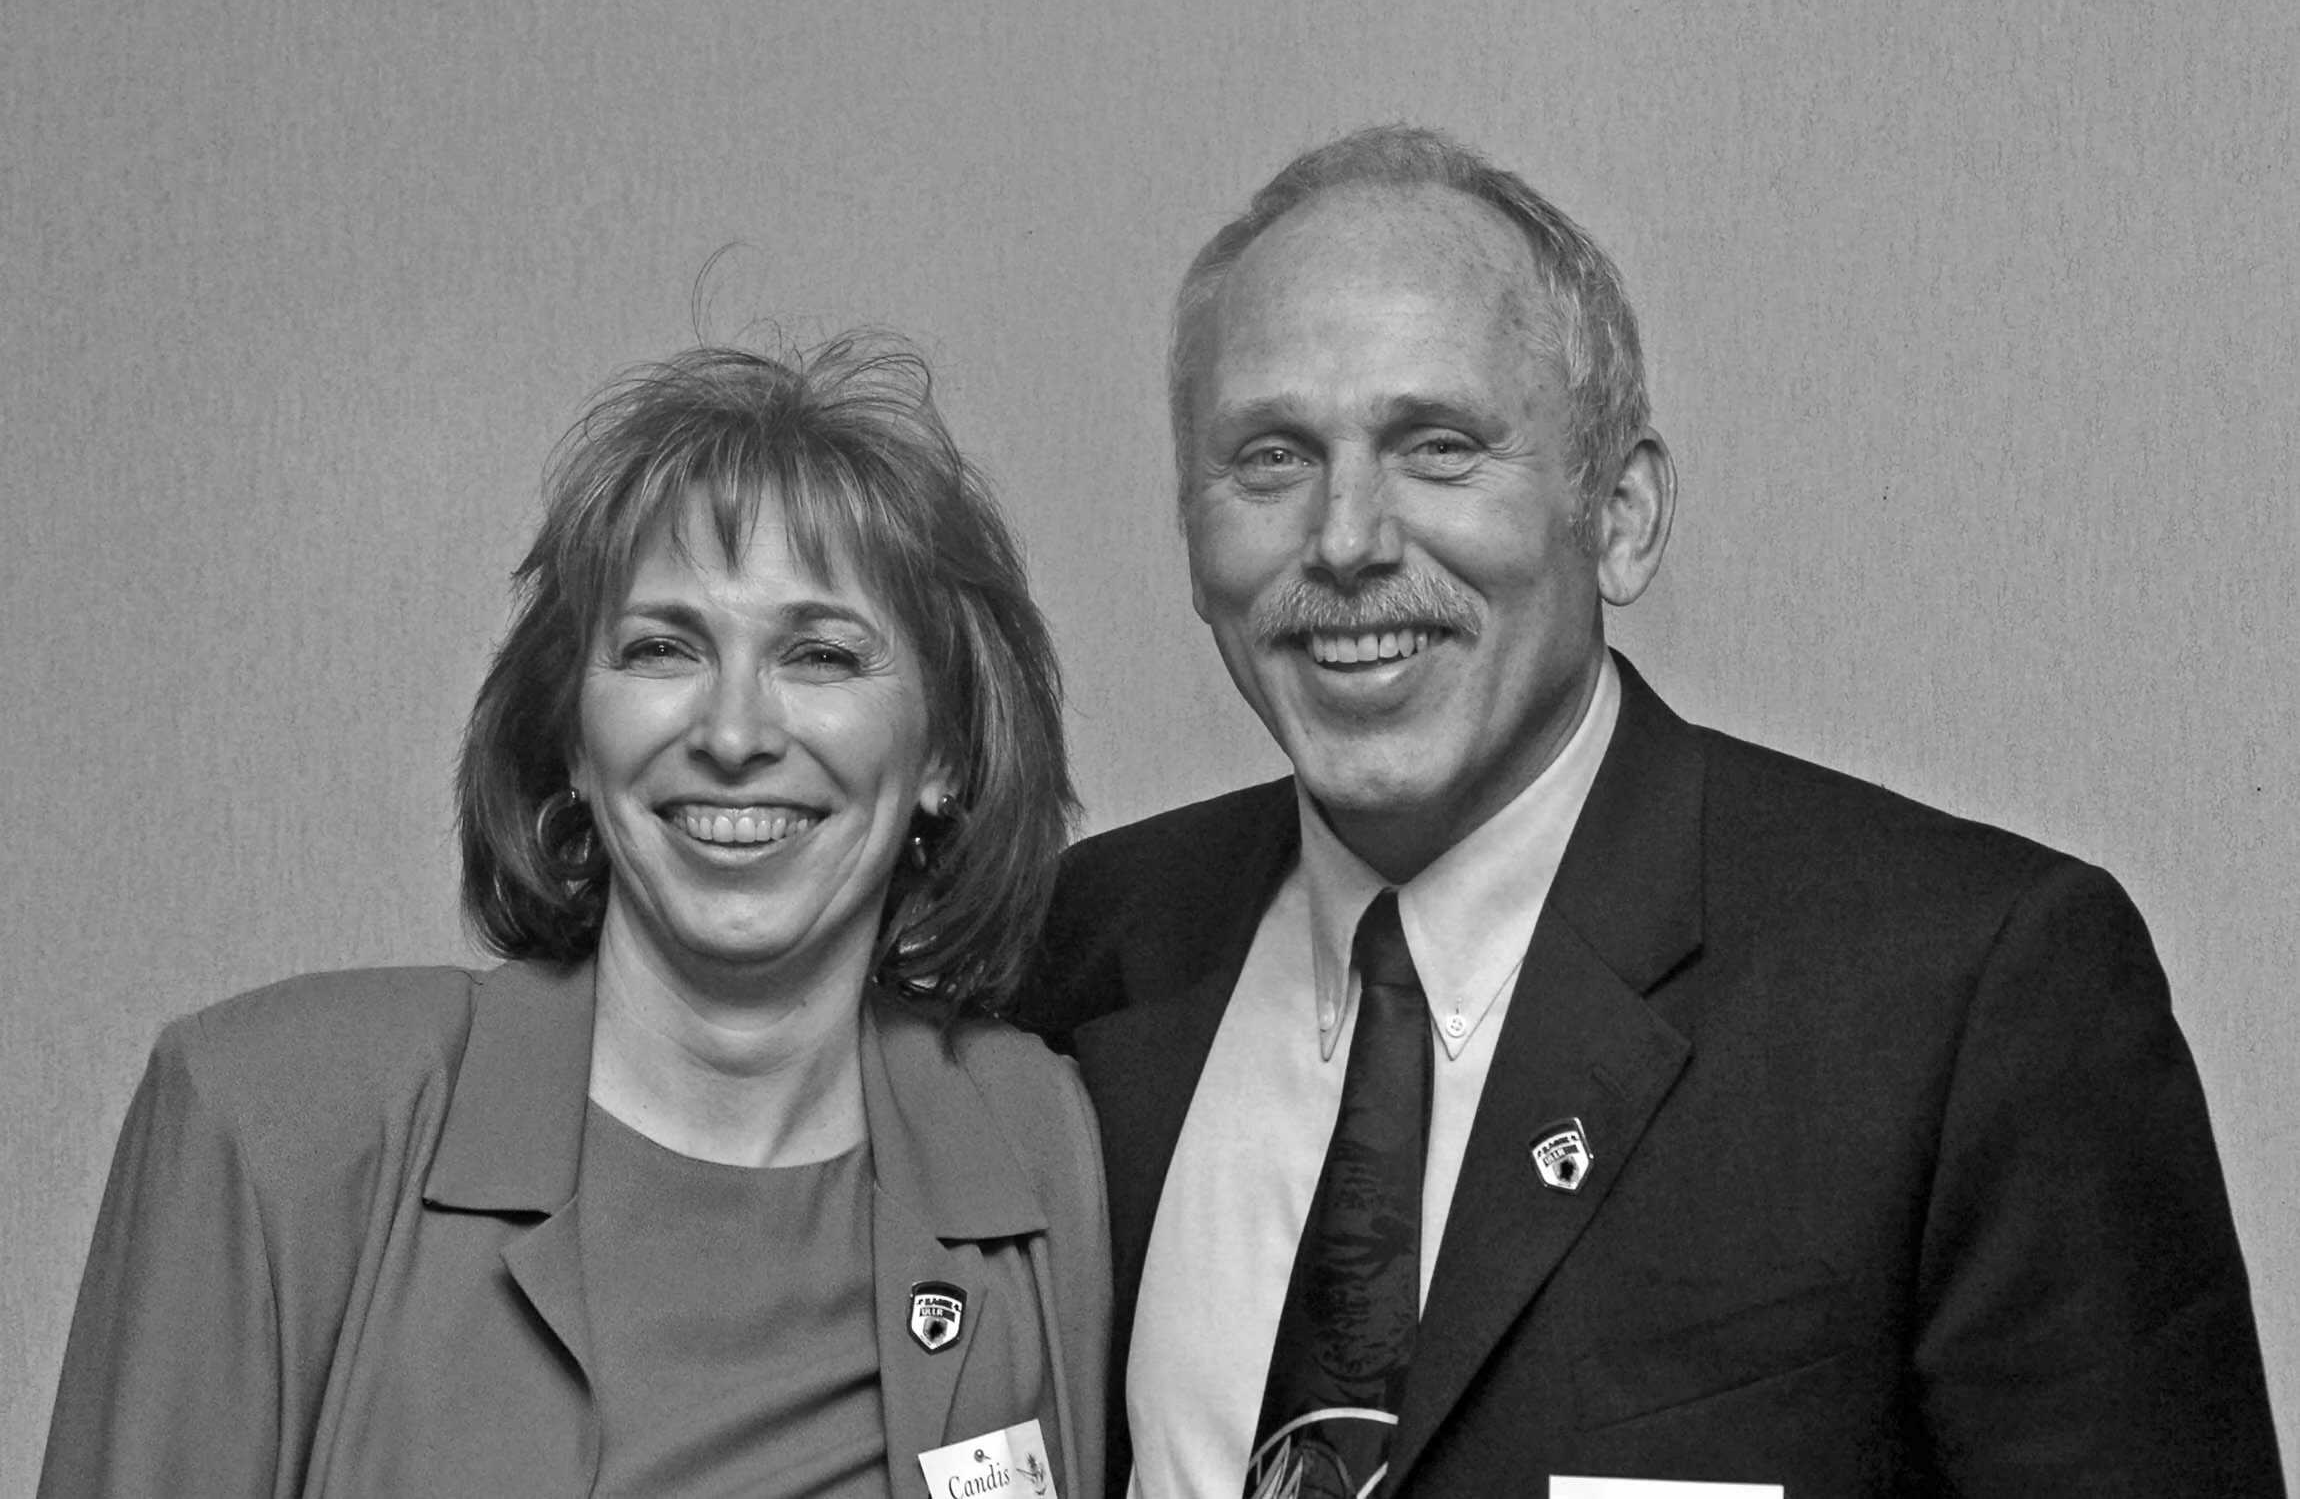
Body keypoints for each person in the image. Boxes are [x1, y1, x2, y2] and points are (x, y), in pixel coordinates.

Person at [1020, 126, 2283, 1495]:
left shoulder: (1966, 994)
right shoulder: (1080, 955)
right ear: (1192, 536)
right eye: (1269, 459)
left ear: (1620, 516)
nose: (1345, 539)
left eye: (1437, 447)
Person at [42, 334, 1109, 1497]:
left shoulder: (1024, 1135)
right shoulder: (275, 1120)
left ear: (944, 752)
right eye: (662, 649)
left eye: (819, 655)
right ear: (572, 738)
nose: (734, 733)